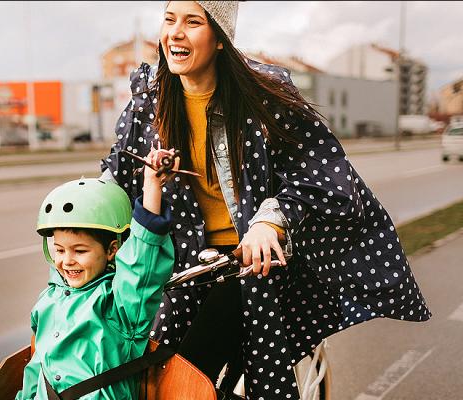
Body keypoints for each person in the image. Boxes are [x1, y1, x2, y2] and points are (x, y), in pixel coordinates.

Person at [100, 1, 431, 399]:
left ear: (220, 38)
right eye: (169, 20)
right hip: (183, 264)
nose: (175, 33)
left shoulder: (261, 95)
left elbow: (321, 174)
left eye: (192, 22)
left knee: (190, 379)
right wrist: (79, 218)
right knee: (148, 375)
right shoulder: (150, 100)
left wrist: (269, 220)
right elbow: (118, 174)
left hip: (247, 264)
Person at [16, 148, 177, 400]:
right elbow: (37, 367)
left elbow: (141, 265)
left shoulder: (119, 307)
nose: (67, 260)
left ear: (112, 250)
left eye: (80, 251)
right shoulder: (47, 302)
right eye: (59, 250)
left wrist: (152, 185)